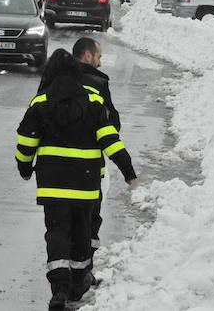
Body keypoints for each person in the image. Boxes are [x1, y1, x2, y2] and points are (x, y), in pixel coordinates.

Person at [16, 49, 137, 310]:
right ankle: (77, 284)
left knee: (57, 232)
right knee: (82, 233)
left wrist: (25, 167)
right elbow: (109, 139)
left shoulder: (40, 102)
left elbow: (26, 141)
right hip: (85, 183)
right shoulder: (93, 101)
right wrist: (128, 170)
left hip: (53, 183)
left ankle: (59, 288)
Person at [72, 38, 121, 276]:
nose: (100, 63)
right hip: (90, 170)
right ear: (88, 56)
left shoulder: (54, 81)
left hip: (56, 173)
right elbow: (112, 124)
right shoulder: (98, 84)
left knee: (61, 226)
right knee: (89, 222)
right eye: (99, 57)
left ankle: (63, 279)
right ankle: (83, 274)